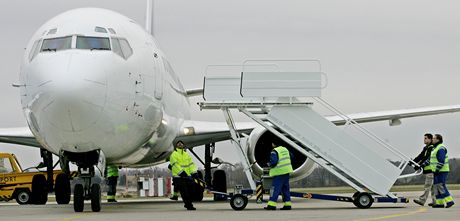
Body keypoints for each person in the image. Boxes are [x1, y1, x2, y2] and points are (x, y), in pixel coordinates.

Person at [420, 134, 455, 208]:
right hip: (436, 171)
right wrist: (422, 165)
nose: (432, 139)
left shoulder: (441, 148)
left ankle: (449, 201)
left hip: (441, 171)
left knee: (441, 186)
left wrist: (437, 170)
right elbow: (430, 159)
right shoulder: (434, 148)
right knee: (436, 187)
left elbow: (441, 161)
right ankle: (440, 203)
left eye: (434, 138)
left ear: (438, 140)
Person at [264, 140, 293, 210]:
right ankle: (288, 204)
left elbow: (274, 162)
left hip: (279, 173)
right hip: (287, 172)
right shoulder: (285, 149)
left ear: (274, 144)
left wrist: (269, 164)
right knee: (285, 189)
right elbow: (292, 156)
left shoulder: (274, 151)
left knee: (274, 189)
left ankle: (271, 205)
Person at [169, 140, 198, 210]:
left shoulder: (186, 155)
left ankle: (188, 203)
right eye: (178, 143)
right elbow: (175, 165)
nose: (180, 144)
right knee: (185, 192)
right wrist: (181, 172)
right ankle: (189, 205)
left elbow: (191, 164)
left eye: (181, 143)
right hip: (178, 177)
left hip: (187, 176)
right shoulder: (173, 154)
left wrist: (194, 173)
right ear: (176, 146)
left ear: (184, 145)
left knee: (192, 191)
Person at [413, 133, 435, 206]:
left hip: (431, 169)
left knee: (427, 186)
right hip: (428, 170)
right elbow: (421, 156)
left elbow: (426, 158)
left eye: (426, 138)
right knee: (432, 187)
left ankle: (422, 200)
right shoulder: (426, 147)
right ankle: (435, 201)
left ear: (430, 139)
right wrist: (413, 161)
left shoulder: (431, 147)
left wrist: (419, 165)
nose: (424, 140)